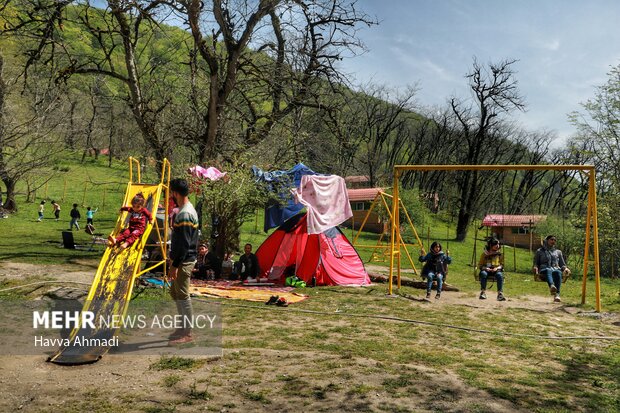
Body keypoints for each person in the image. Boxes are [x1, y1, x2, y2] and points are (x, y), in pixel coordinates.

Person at [167, 178, 199, 345]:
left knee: (183, 296)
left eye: (171, 191)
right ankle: (182, 327)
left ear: (176, 193)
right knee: (175, 293)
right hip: (180, 259)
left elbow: (185, 245)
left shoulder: (185, 213)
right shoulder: (183, 210)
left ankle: (187, 332)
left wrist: (175, 265)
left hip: (184, 261)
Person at [534, 235, 570, 303]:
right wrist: (535, 268)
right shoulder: (540, 251)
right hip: (544, 270)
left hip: (555, 269)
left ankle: (557, 295)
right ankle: (552, 286)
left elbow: (562, 264)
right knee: (548, 270)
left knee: (558, 272)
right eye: (551, 239)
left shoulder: (558, 252)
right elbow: (536, 263)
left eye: (554, 240)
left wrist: (566, 269)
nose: (553, 241)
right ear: (547, 240)